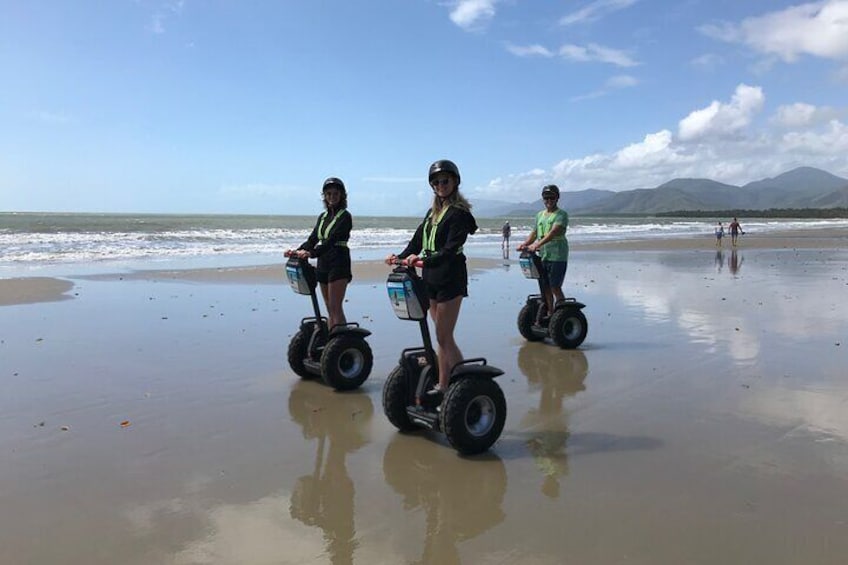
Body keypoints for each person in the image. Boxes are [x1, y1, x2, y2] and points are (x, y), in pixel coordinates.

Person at [385, 159, 478, 396]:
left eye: (445, 181)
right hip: (430, 278)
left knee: (443, 335)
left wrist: (423, 260)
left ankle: (464, 385)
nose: (440, 185)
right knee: (441, 336)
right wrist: (401, 256)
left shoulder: (459, 214)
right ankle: (444, 384)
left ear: (455, 182)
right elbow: (417, 242)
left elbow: (450, 249)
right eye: (436, 182)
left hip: (450, 278)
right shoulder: (432, 214)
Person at [285, 177, 352, 331]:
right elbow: (313, 238)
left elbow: (332, 240)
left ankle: (341, 342)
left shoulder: (345, 216)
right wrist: (296, 251)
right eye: (328, 194)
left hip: (338, 262)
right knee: (328, 307)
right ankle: (331, 343)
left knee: (335, 307)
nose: (332, 197)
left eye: (335, 193)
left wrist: (311, 254)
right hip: (324, 262)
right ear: (324, 196)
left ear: (341, 195)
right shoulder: (323, 217)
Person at [517, 184, 569, 324]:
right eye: (546, 197)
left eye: (552, 197)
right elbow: (534, 233)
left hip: (558, 255)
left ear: (557, 198)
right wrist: (525, 244)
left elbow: (553, 233)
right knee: (544, 286)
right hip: (544, 255)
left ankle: (562, 313)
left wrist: (537, 245)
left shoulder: (561, 215)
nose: (549, 200)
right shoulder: (539, 215)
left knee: (555, 286)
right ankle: (550, 313)